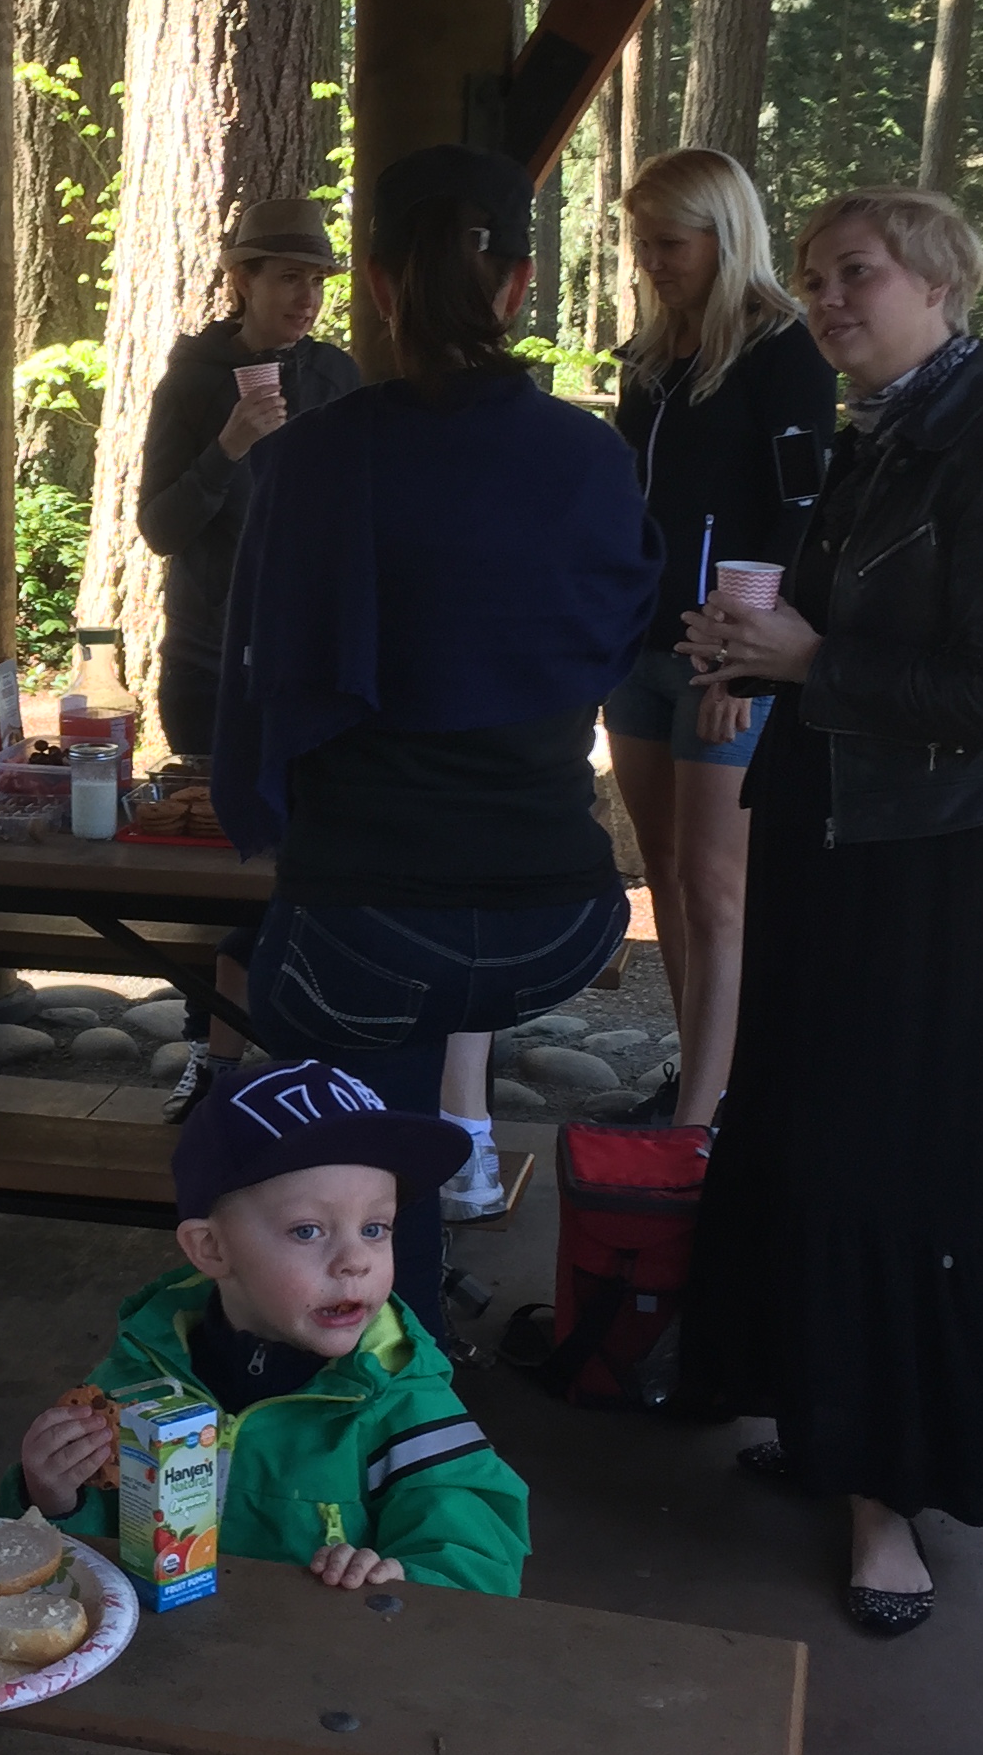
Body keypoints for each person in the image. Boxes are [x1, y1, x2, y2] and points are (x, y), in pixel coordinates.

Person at [672, 186, 983, 1638]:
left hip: (929, 865)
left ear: (943, 283)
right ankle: (820, 1416)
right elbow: (842, 629)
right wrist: (752, 653)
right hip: (829, 827)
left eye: (855, 273)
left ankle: (888, 1499)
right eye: (812, 278)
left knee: (894, 1170)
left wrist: (812, 663)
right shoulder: (880, 436)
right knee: (801, 1138)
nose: (827, 300)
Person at [213, 143, 659, 1337]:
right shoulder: (590, 457)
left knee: (344, 1140)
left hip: (363, 922)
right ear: (519, 286)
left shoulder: (314, 459)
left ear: (378, 287)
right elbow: (624, 642)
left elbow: (259, 690)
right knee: (387, 1074)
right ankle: (414, 1340)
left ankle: (381, 1370)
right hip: (557, 916)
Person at [7, 1059, 531, 1594]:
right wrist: (53, 1499)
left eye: (375, 1228)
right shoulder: (140, 1375)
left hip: (322, 1644)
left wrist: (405, 1579)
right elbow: (80, 1559)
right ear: (211, 1248)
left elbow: (479, 1555)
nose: (355, 1260)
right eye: (308, 1231)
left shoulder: (399, 1398)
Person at [602, 149, 834, 1128]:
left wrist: (746, 655)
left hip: (725, 662)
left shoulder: (786, 351)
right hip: (639, 654)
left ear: (725, 236)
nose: (652, 262)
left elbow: (803, 512)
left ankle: (709, 1116)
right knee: (665, 875)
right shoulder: (650, 361)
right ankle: (701, 1076)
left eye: (671, 243)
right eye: (642, 243)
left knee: (715, 886)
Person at [133, 196, 361, 1121]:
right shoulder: (193, 381)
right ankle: (211, 1050)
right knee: (213, 866)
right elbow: (160, 527)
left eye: (317, 281)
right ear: (243, 280)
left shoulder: (337, 377)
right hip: (208, 660)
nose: (306, 296)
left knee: (308, 861)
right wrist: (229, 444)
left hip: (308, 661)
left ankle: (308, 1053)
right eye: (288, 278)